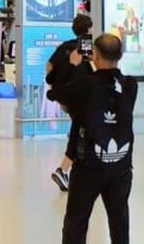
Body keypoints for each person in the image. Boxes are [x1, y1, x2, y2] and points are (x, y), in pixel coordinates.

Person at [62, 32, 136, 244]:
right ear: (120, 55)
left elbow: (64, 99)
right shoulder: (130, 86)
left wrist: (75, 67)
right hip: (121, 165)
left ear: (94, 55)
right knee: (119, 219)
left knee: (77, 220)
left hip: (89, 164)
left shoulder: (85, 84)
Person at [46, 13, 95, 191]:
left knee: (79, 127)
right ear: (88, 29)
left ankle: (66, 169)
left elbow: (49, 66)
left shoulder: (63, 47)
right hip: (79, 96)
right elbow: (95, 65)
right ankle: (63, 169)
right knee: (79, 130)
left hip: (64, 95)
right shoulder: (84, 44)